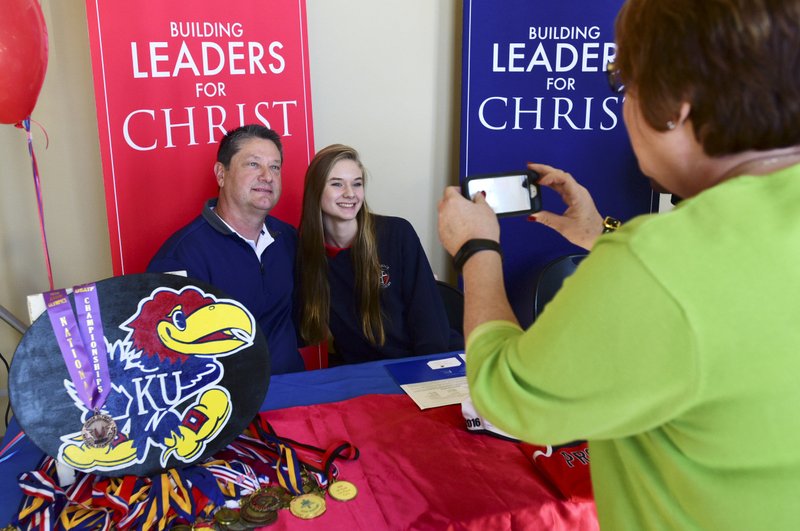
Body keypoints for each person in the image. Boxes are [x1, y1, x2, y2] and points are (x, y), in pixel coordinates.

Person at [438, 0, 800, 529]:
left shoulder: (655, 259)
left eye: (624, 86)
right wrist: (601, 234)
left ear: (674, 104)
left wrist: (476, 251)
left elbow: (506, 397)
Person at [148, 124, 304, 374]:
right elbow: (171, 353)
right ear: (221, 174)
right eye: (253, 164)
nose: (267, 176)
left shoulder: (289, 238)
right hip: (227, 405)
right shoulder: (180, 256)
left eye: (275, 167)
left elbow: (301, 319)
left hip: (294, 392)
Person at [297, 144, 455, 364]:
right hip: (365, 375)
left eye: (357, 184)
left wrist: (428, 379)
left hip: (424, 364)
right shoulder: (305, 254)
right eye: (336, 184)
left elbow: (429, 325)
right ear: (315, 191)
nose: (350, 194)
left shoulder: (397, 233)